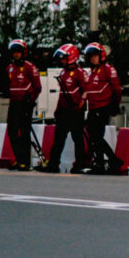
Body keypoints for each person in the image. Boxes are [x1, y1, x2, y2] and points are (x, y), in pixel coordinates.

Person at [40, 43, 86, 174]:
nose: (62, 60)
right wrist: (57, 110)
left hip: (76, 110)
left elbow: (86, 91)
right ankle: (53, 164)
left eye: (64, 58)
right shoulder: (62, 72)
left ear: (71, 57)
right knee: (59, 139)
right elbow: (62, 94)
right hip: (63, 111)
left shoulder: (80, 73)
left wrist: (81, 104)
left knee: (77, 138)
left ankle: (80, 164)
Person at [79, 42, 124, 173]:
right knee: (94, 137)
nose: (93, 59)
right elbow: (89, 90)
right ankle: (103, 162)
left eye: (95, 56)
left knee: (96, 137)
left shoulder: (108, 69)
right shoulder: (92, 72)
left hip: (103, 107)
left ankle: (111, 161)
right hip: (93, 108)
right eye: (91, 56)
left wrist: (114, 106)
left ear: (101, 56)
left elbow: (117, 89)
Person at [3, 39, 42, 171]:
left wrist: (30, 100)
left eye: (18, 52)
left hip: (26, 104)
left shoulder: (30, 67)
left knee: (24, 133)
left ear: (23, 53)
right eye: (14, 52)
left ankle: (25, 161)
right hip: (13, 104)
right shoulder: (10, 68)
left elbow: (38, 87)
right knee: (11, 131)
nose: (16, 55)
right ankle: (19, 159)